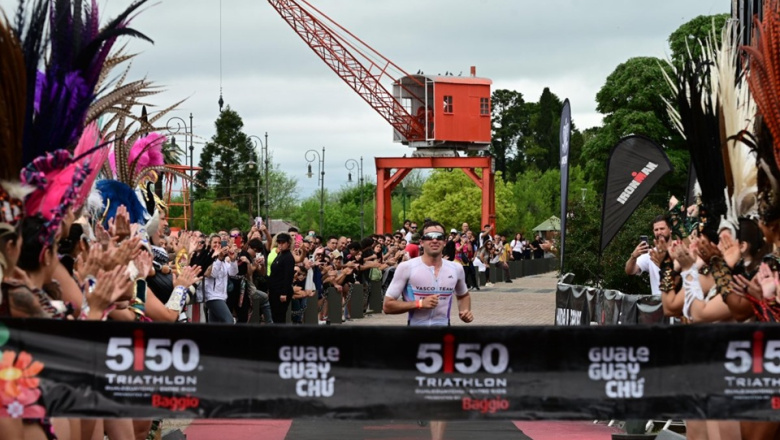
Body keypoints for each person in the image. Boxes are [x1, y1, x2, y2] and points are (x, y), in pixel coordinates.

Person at [383, 220, 473, 440]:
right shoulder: (407, 268)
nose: (435, 241)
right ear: (421, 242)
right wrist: (418, 304)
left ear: (445, 242)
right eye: (429, 237)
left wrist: (465, 311)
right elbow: (387, 305)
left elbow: (463, 295)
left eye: (439, 237)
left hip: (444, 332)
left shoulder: (456, 269)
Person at [625, 215, 672, 296]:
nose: (659, 232)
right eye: (656, 230)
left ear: (670, 229)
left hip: (679, 303)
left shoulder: (680, 248)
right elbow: (630, 271)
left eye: (662, 229)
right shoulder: (650, 253)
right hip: (658, 304)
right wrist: (633, 257)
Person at [268, 232, 295, 324]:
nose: (280, 244)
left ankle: (280, 336)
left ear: (288, 243)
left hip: (281, 291)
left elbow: (288, 276)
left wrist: (284, 293)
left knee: (279, 317)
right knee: (275, 316)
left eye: (283, 242)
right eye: (279, 242)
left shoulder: (288, 257)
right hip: (274, 290)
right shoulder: (280, 255)